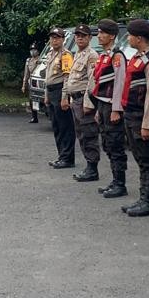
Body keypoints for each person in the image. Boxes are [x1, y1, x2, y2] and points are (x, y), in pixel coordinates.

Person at [118, 19, 149, 217]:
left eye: (129, 35)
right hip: (131, 114)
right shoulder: (137, 58)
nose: (128, 39)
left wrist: (147, 124)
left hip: (141, 117)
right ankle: (143, 197)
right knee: (140, 159)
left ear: (138, 38)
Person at [93, 19, 129, 198]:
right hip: (103, 103)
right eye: (99, 32)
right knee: (107, 142)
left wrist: (116, 109)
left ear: (112, 36)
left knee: (115, 144)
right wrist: (99, 109)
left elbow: (120, 83)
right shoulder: (105, 55)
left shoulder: (117, 56)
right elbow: (100, 84)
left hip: (112, 105)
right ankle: (115, 180)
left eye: (103, 33)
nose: (99, 36)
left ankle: (120, 183)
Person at [64, 25, 101, 182]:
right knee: (81, 134)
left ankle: (92, 168)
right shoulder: (78, 54)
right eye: (77, 35)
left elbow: (92, 81)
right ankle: (89, 165)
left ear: (89, 38)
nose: (79, 38)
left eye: (83, 35)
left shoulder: (91, 56)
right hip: (76, 99)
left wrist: (88, 102)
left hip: (84, 100)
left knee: (89, 133)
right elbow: (73, 79)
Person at [43, 28, 76, 169]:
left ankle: (67, 158)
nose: (54, 40)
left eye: (57, 38)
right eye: (52, 38)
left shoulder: (66, 55)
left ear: (63, 39)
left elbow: (67, 77)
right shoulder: (51, 54)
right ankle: (61, 155)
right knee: (56, 126)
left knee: (65, 127)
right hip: (51, 92)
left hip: (60, 91)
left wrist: (64, 97)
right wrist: (46, 95)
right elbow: (47, 77)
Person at [21, 44, 40, 124]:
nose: (33, 51)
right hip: (31, 82)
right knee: (31, 100)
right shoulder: (28, 60)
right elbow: (26, 73)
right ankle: (34, 117)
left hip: (39, 82)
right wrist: (24, 84)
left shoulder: (41, 59)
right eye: (31, 49)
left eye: (34, 49)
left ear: (38, 51)